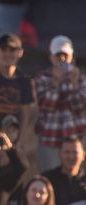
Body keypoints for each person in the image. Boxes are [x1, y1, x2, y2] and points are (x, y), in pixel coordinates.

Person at [34, 36, 86, 172]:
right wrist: (56, 83)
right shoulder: (42, 78)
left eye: (65, 55)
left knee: (78, 177)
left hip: (76, 138)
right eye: (58, 56)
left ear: (71, 57)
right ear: (51, 57)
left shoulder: (79, 78)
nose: (62, 60)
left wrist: (74, 84)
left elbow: (80, 106)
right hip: (51, 139)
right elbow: (46, 106)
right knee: (51, 177)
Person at [44, 136, 86, 205]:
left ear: (83, 155)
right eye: (67, 152)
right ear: (59, 154)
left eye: (75, 152)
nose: (71, 157)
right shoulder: (47, 180)